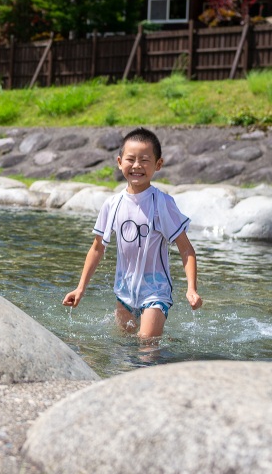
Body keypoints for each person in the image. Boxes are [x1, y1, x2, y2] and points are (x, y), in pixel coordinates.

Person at [62, 127, 201, 338]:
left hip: (155, 290)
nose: (137, 165)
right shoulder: (112, 204)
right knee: (123, 345)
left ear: (158, 164)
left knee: (147, 344)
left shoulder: (162, 203)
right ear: (119, 162)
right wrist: (80, 288)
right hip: (124, 292)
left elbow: (186, 249)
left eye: (145, 160)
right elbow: (97, 248)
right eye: (130, 159)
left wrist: (191, 288)